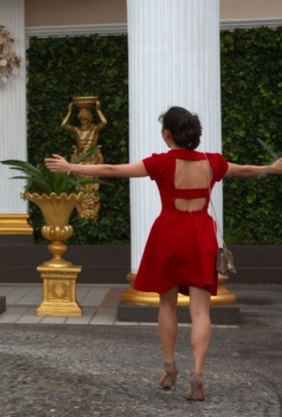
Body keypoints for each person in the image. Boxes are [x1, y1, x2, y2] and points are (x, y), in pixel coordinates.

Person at [45, 106, 282, 401]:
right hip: (201, 236)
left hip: (169, 234)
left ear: (167, 134)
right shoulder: (212, 163)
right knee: (200, 312)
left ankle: (170, 369)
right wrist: (273, 168)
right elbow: (245, 170)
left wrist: (72, 167)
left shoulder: (161, 163)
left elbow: (112, 170)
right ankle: (197, 374)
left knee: (167, 306)